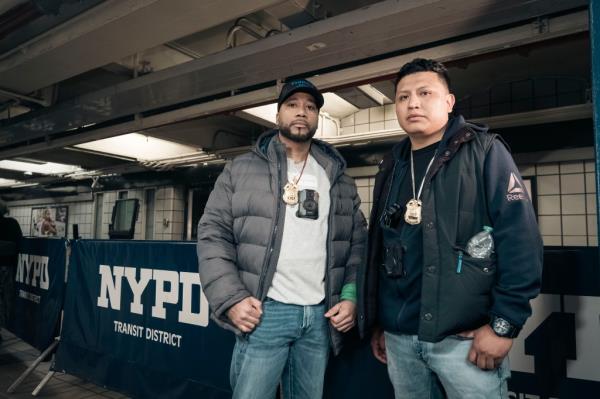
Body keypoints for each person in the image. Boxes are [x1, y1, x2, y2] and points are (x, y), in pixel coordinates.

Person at [357, 58, 543, 399]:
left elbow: (521, 240)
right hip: (400, 339)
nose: (413, 103)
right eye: (402, 97)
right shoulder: (392, 164)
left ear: (449, 101)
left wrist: (504, 326)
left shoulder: (484, 151)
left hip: (465, 341)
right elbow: (380, 249)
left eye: (425, 93)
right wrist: (381, 323)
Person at [197, 79, 367, 399]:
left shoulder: (338, 177)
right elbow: (212, 235)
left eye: (310, 107)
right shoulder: (241, 170)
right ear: (277, 116)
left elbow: (357, 244)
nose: (301, 112)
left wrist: (350, 295)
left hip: (320, 316)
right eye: (292, 105)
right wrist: (231, 298)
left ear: (317, 118)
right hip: (265, 313)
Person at [0, 200, 23, 339]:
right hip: (8, 267)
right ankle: (5, 327)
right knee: (7, 299)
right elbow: (20, 243)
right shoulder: (12, 223)